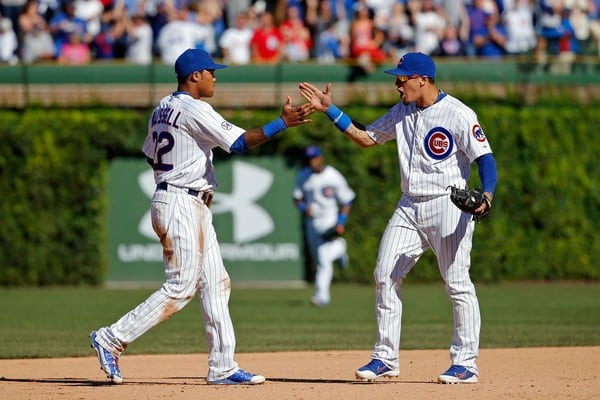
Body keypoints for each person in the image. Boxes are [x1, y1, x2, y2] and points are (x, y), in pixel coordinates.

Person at [90, 48, 314, 385]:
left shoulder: (162, 107)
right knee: (181, 287)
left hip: (184, 200)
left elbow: (151, 156)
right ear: (195, 76)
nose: (214, 77)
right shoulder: (194, 108)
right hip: (181, 202)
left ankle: (223, 365)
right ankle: (112, 337)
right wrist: (282, 122)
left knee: (216, 283)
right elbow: (238, 142)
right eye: (211, 71)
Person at [299, 52, 498, 384]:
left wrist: (487, 195)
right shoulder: (402, 111)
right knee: (384, 273)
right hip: (409, 205)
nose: (396, 85)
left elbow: (485, 159)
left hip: (446, 204)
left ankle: (465, 363)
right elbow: (366, 138)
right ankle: (385, 357)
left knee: (457, 283)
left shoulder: (458, 113)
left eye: (401, 79)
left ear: (422, 80)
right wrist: (329, 110)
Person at [293, 145, 355, 307]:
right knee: (319, 259)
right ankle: (340, 248)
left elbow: (347, 200)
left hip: (329, 220)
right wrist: (303, 208)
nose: (312, 162)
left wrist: (341, 222)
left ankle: (322, 296)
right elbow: (297, 198)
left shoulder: (333, 176)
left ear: (321, 158)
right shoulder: (304, 176)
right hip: (312, 222)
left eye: (314, 158)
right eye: (310, 159)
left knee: (323, 259)